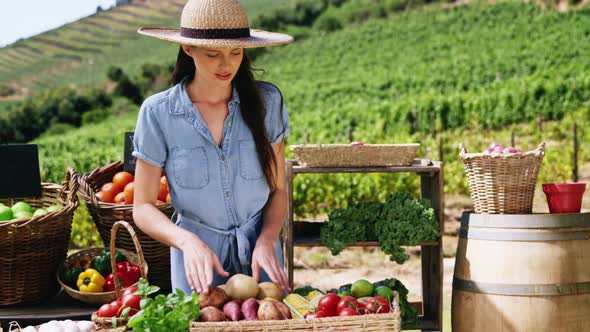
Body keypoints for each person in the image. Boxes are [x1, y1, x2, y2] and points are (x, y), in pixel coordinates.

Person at [131, 0, 293, 294]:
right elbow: (142, 207)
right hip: (199, 267)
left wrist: (268, 239)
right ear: (188, 49)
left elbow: (278, 190)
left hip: (262, 259)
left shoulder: (268, 103)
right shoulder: (158, 113)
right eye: (212, 54)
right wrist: (186, 241)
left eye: (235, 52)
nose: (227, 64)